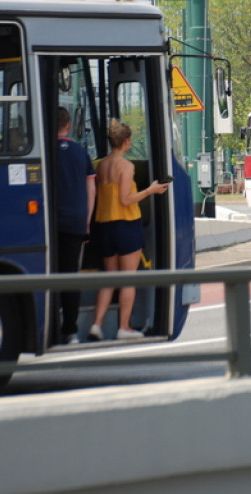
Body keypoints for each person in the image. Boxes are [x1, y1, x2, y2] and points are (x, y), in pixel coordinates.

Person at [89, 119, 169, 341]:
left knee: (109, 278)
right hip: (126, 224)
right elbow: (125, 199)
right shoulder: (126, 166)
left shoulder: (102, 165)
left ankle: (96, 325)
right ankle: (124, 327)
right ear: (126, 141)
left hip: (104, 225)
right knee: (128, 279)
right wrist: (150, 190)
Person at [55, 107, 96, 345]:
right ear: (69, 126)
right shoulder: (81, 153)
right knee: (70, 275)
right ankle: (70, 330)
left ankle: (49, 325)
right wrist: (87, 222)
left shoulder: (46, 151)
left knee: (48, 275)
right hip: (75, 222)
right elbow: (91, 190)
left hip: (49, 225)